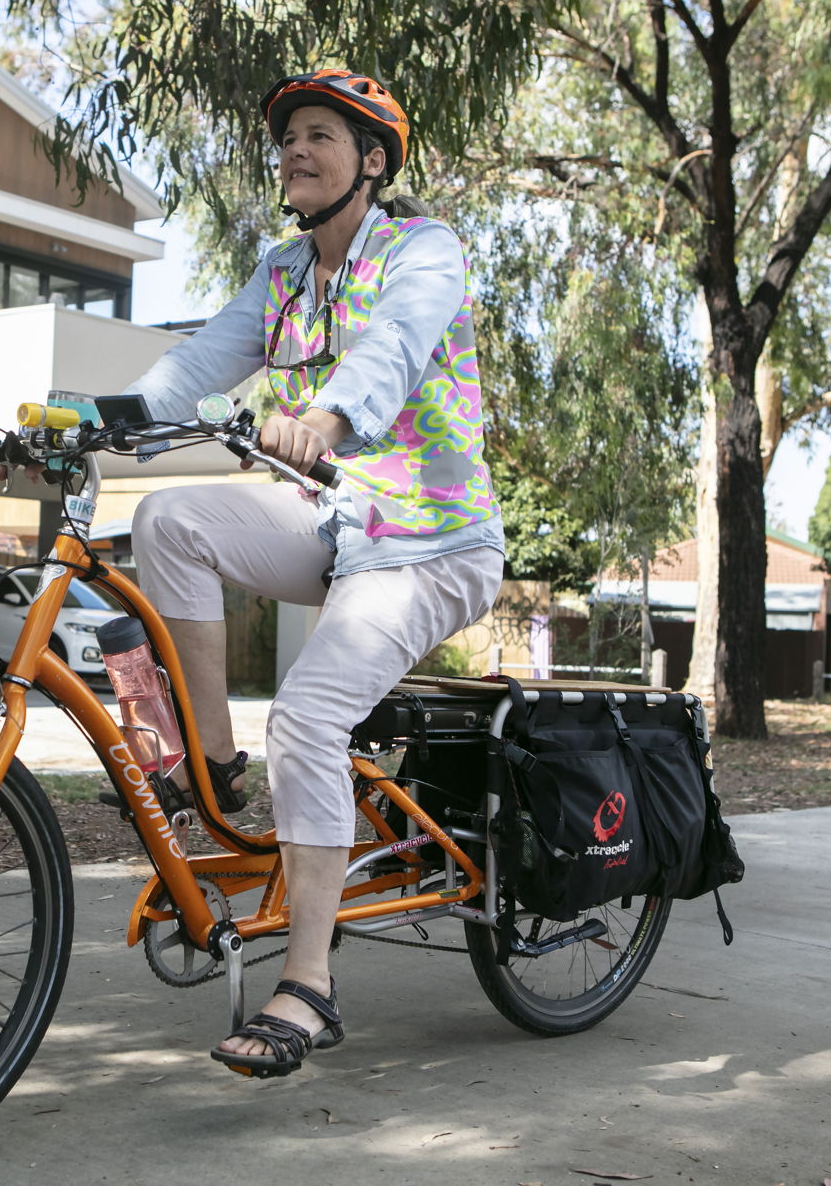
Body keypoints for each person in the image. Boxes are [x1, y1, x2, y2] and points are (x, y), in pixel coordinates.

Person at [127, 69, 506, 1077]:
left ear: (371, 161)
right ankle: (212, 764)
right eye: (288, 135)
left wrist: (328, 417)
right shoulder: (283, 274)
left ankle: (310, 985)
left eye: (320, 135)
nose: (295, 149)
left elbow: (392, 346)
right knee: (169, 519)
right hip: (340, 525)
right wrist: (94, 420)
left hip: (433, 542)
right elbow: (192, 366)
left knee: (305, 715)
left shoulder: (422, 250)